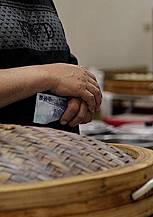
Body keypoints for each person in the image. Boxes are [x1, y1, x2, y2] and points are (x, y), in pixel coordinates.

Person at [0, 0, 101, 130]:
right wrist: (51, 77)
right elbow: (55, 75)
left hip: (54, 145)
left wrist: (80, 96)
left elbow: (62, 68)